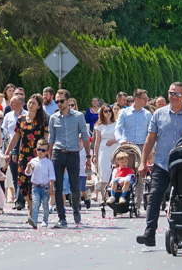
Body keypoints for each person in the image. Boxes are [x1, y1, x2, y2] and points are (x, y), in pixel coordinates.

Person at [137, 82, 182, 246]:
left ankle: (178, 235)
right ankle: (149, 233)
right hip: (161, 163)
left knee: (179, 200)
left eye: (178, 94)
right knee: (154, 196)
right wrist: (143, 162)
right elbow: (150, 139)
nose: (174, 97)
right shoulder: (159, 114)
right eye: (171, 93)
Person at [48, 89, 91, 228]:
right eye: (57, 101)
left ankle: (76, 208)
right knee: (58, 187)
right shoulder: (53, 118)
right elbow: (51, 138)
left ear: (68, 101)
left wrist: (88, 156)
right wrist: (49, 156)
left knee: (74, 186)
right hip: (58, 152)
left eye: (61, 101)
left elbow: (85, 136)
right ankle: (62, 218)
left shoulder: (78, 116)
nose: (59, 104)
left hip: (73, 152)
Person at [4, 94, 47, 219]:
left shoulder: (42, 120)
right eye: (29, 102)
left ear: (39, 106)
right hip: (23, 155)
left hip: (37, 156)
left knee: (34, 182)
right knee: (22, 184)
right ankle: (30, 204)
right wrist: (8, 152)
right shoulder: (21, 119)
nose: (30, 104)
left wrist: (47, 154)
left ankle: (33, 211)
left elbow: (46, 138)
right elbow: (15, 137)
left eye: (33, 103)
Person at [2, 95, 26, 208]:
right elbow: (4, 131)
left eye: (12, 102)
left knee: (23, 175)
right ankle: (19, 199)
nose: (10, 104)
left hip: (24, 148)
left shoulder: (26, 115)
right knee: (15, 174)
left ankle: (22, 199)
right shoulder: (8, 116)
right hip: (11, 148)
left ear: (19, 104)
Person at [25, 139, 55, 228]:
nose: (40, 152)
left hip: (45, 187)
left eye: (43, 150)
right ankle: (34, 220)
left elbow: (52, 176)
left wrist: (51, 187)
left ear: (46, 152)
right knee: (35, 203)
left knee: (45, 205)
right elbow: (28, 173)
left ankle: (45, 220)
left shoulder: (49, 162)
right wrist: (28, 168)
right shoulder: (33, 161)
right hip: (35, 186)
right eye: (39, 149)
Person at [92, 104, 118, 186]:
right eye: (105, 111)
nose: (108, 113)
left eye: (110, 110)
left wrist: (114, 141)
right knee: (103, 172)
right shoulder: (99, 126)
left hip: (115, 147)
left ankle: (113, 193)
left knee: (115, 171)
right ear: (102, 113)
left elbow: (122, 136)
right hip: (103, 150)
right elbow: (97, 141)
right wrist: (95, 155)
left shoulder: (117, 123)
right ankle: (103, 196)